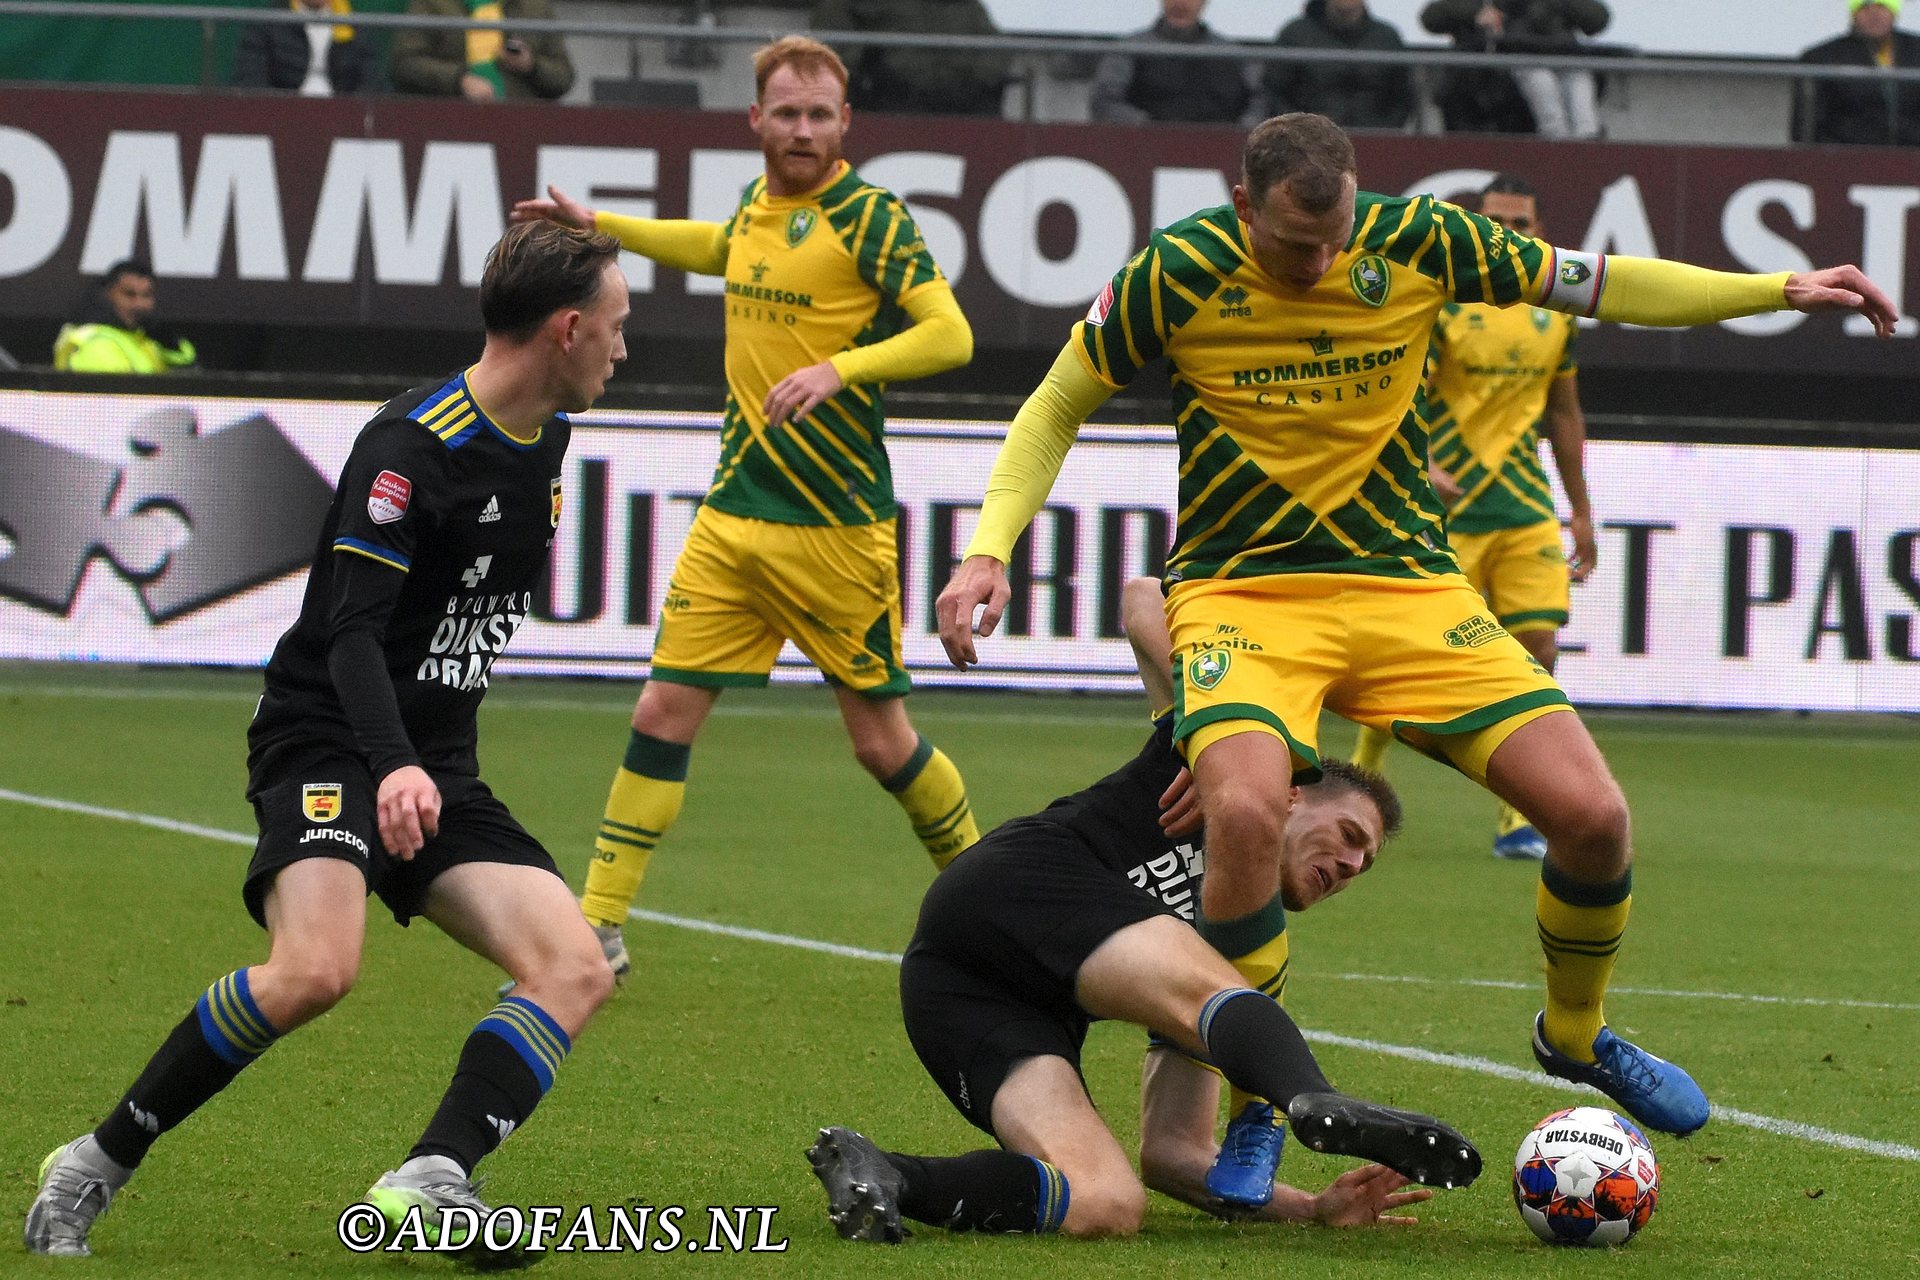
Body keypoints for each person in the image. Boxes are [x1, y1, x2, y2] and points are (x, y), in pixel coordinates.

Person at [935, 111, 1899, 1144]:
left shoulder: (1420, 239)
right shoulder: (1176, 271)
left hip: (1407, 591)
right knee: (1250, 814)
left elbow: (1605, 282)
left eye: (1337, 235)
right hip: (1244, 595)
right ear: (1243, 202)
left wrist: (1774, 290)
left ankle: (1575, 1034)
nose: (1321, 260)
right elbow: (1055, 405)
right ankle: (1266, 1097)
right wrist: (989, 545)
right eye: (1296, 243)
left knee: (1593, 816)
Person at [24, 220, 629, 1264]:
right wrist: (389, 759)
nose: (625, 347)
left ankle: (431, 1176)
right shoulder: (409, 447)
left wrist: (420, 762)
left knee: (575, 964)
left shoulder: (551, 443)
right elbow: (351, 631)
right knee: (313, 969)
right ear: (567, 329)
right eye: (618, 327)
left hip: (430, 764)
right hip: (329, 738)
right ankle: (92, 1161)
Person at [509, 36, 979, 984]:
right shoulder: (762, 208)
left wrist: (840, 367)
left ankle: (995, 896)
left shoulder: (873, 218)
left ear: (845, 124)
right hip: (733, 516)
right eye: (787, 112)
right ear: (755, 121)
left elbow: (951, 334)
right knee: (663, 709)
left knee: (879, 742)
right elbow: (719, 248)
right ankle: (595, 926)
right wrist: (599, 227)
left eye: (820, 114)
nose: (803, 129)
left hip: (834, 528)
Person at [808, 581, 1476, 1242]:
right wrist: (1209, 721)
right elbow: (1138, 597)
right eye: (1352, 837)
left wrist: (1309, 1209)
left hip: (963, 995)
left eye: (1366, 865)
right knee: (1225, 998)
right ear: (1293, 795)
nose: (1354, 866)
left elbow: (1173, 1152)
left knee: (1104, 1204)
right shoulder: (1210, 758)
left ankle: (885, 1174)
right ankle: (1312, 1095)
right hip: (1018, 885)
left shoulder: (1232, 970)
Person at [1349, 173, 1589, 862]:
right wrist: (1417, 465)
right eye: (1499, 222)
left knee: (1538, 651)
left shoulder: (1558, 312)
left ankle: (1520, 817)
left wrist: (1582, 511)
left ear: (1542, 232)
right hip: (1447, 513)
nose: (1512, 235)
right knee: (1404, 659)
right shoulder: (1445, 305)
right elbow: (1392, 396)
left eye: (1524, 223)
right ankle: (1366, 774)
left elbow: (1565, 415)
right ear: (1476, 225)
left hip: (1525, 507)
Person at [1420, 0, 1611, 139]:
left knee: (1578, 78)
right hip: (1489, 84)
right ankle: (1558, 140)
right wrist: (1476, 12)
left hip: (1560, 62)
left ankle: (1587, 139)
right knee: (1540, 79)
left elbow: (1596, 18)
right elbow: (1432, 18)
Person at [810, 0, 1010, 117]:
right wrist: (862, 73)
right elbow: (832, 41)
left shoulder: (966, 7)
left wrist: (979, 80)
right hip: (894, 100)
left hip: (964, 101)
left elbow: (996, 48)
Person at [1091, 0, 1261, 127]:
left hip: (1224, 149)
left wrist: (1239, 132)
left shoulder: (1233, 55)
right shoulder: (1130, 50)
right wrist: (1149, 127)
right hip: (1145, 148)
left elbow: (1261, 100)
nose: (1180, 2)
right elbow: (1106, 100)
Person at [1267, 0, 1416, 131]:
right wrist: (1300, 130)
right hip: (1310, 142)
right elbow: (1274, 90)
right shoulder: (1295, 34)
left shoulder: (1387, 37)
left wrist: (1386, 129)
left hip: (1377, 139)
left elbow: (1403, 95)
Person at [390, 0, 573, 102]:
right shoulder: (432, 4)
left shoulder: (535, 7)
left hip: (521, 125)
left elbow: (564, 78)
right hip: (448, 121)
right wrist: (459, 80)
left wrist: (531, 66)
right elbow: (405, 65)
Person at [1795, 0, 1920, 147]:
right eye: (1865, 7)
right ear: (1853, 14)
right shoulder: (1823, 57)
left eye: (1882, 6)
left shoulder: (1915, 50)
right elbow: (1807, 124)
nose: (1874, 14)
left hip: (1911, 156)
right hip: (1848, 157)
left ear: (1894, 11)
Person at [53, 259, 196, 375]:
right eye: (129, 294)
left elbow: (186, 367)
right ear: (107, 295)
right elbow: (112, 402)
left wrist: (167, 339)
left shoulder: (146, 340)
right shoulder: (95, 342)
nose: (139, 304)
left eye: (146, 295)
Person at [232, 0, 382, 96]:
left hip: (340, 118)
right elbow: (251, 82)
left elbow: (373, 84)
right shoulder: (268, 23)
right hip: (283, 116)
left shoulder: (356, 27)